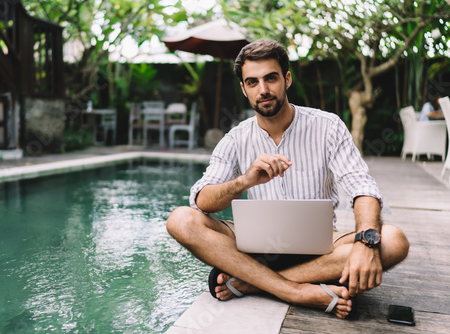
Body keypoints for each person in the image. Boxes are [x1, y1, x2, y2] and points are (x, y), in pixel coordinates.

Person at [166, 39, 410, 319]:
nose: (264, 89)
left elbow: (362, 187)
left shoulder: (327, 127)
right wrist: (244, 181)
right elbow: (202, 201)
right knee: (180, 220)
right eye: (253, 82)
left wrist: (365, 242)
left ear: (287, 79)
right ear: (244, 89)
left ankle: (252, 283)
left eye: (271, 78)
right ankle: (294, 290)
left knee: (392, 240)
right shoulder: (235, 139)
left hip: (321, 248)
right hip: (256, 247)